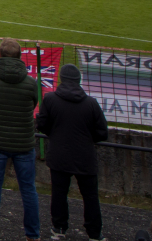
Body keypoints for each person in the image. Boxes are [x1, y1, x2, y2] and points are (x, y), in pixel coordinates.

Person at [0, 38, 42, 241]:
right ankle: (32, 234)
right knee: (28, 188)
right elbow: (32, 104)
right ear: (19, 57)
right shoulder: (31, 83)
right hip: (23, 143)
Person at [37, 64, 107, 241]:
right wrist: (86, 139)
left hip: (60, 155)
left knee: (59, 193)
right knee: (90, 196)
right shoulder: (91, 103)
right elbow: (102, 132)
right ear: (79, 81)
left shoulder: (51, 99)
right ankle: (94, 233)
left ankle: (59, 228)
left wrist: (57, 134)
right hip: (85, 157)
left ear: (62, 79)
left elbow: (42, 125)